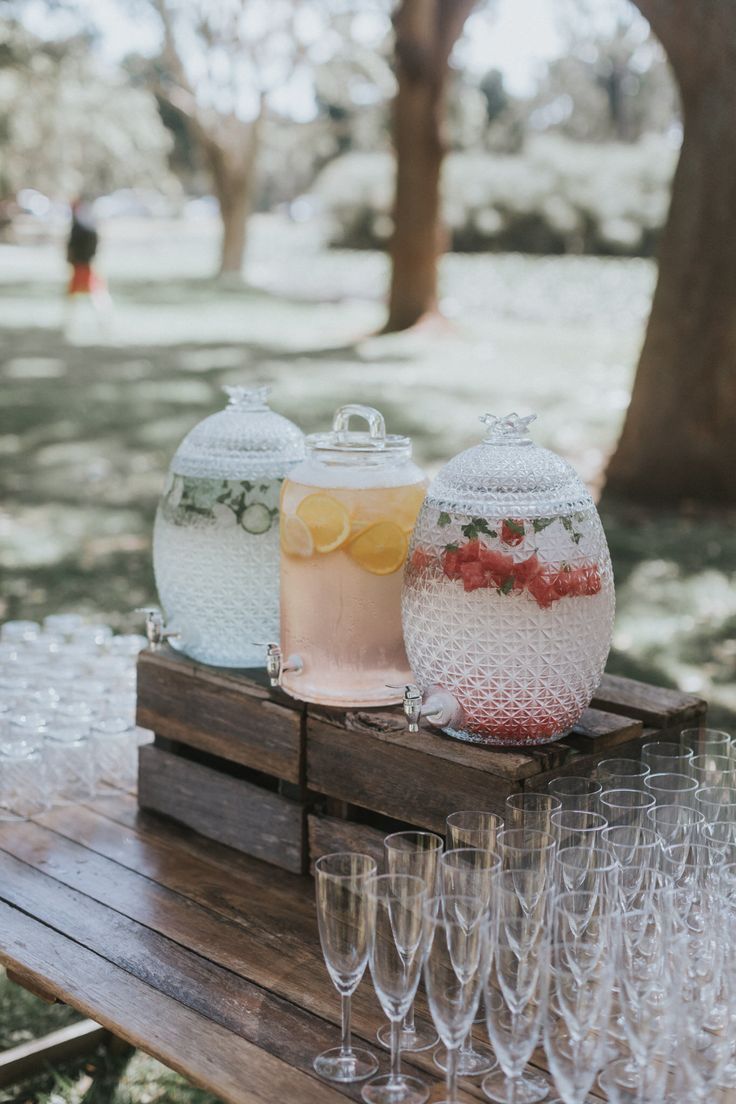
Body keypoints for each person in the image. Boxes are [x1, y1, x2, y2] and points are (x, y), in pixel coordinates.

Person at [65, 197, 112, 330]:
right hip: (81, 264)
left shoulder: (82, 226)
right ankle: (70, 320)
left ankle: (102, 319)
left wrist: (81, 258)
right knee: (77, 294)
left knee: (95, 292)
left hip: (84, 264)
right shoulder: (81, 224)